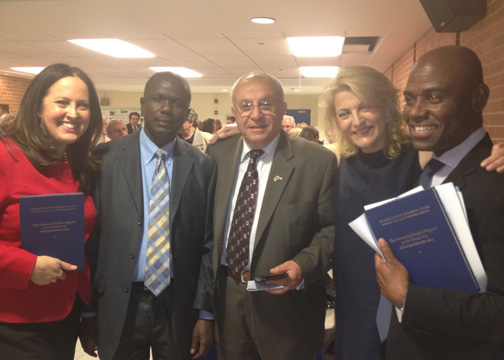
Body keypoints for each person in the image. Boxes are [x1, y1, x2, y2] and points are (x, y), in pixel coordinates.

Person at [324, 64, 504, 360]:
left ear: (386, 107)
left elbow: (469, 159)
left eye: (365, 107)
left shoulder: (422, 156)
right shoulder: (334, 162)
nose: (356, 121)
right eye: (344, 113)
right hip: (354, 303)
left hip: (411, 306)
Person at [375, 45, 504, 360]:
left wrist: (408, 297)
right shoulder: (427, 168)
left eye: (434, 98)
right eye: (410, 98)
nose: (415, 112)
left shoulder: (497, 181)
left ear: (479, 98)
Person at [207, 72, 336, 360]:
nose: (256, 114)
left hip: (287, 308)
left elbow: (332, 229)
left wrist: (304, 265)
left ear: (282, 108)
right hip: (227, 299)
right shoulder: (217, 156)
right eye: (246, 105)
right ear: (234, 113)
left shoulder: (317, 162)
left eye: (266, 104)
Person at [87, 71, 215, 360]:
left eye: (177, 102)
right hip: (119, 301)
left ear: (187, 111)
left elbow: (209, 243)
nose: (167, 109)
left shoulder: (203, 166)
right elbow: (91, 239)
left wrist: (205, 312)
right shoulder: (103, 159)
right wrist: (89, 309)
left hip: (178, 302)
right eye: (158, 99)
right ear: (143, 104)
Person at [0, 63, 102, 360]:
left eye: (82, 105)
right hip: (13, 320)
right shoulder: (6, 157)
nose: (73, 112)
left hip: (64, 314)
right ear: (36, 107)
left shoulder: (79, 162)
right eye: (62, 102)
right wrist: (26, 265)